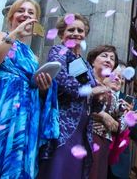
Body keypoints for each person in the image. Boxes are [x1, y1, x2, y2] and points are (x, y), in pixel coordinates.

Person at [0, 0, 58, 179]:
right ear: (11, 17)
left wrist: (43, 88)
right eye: (21, 11)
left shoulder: (32, 56)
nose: (25, 15)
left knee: (15, 163)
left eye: (31, 13)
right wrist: (15, 33)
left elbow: (32, 86)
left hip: (25, 114)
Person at [38, 13, 103, 179]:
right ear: (61, 34)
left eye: (80, 30)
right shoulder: (59, 51)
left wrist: (100, 98)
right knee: (57, 171)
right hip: (63, 127)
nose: (76, 33)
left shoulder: (85, 63)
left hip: (81, 131)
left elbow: (91, 102)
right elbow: (60, 78)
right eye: (71, 29)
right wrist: (90, 91)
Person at [87, 45, 129, 179]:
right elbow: (77, 104)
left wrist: (127, 119)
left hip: (105, 143)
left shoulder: (112, 96)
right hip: (87, 137)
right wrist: (102, 115)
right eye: (104, 56)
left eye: (112, 58)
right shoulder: (86, 81)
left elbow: (118, 126)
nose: (118, 80)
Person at [108, 68, 137, 179]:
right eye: (115, 75)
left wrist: (131, 119)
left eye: (122, 77)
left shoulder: (132, 102)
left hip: (118, 163)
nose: (119, 79)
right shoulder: (97, 93)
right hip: (97, 153)